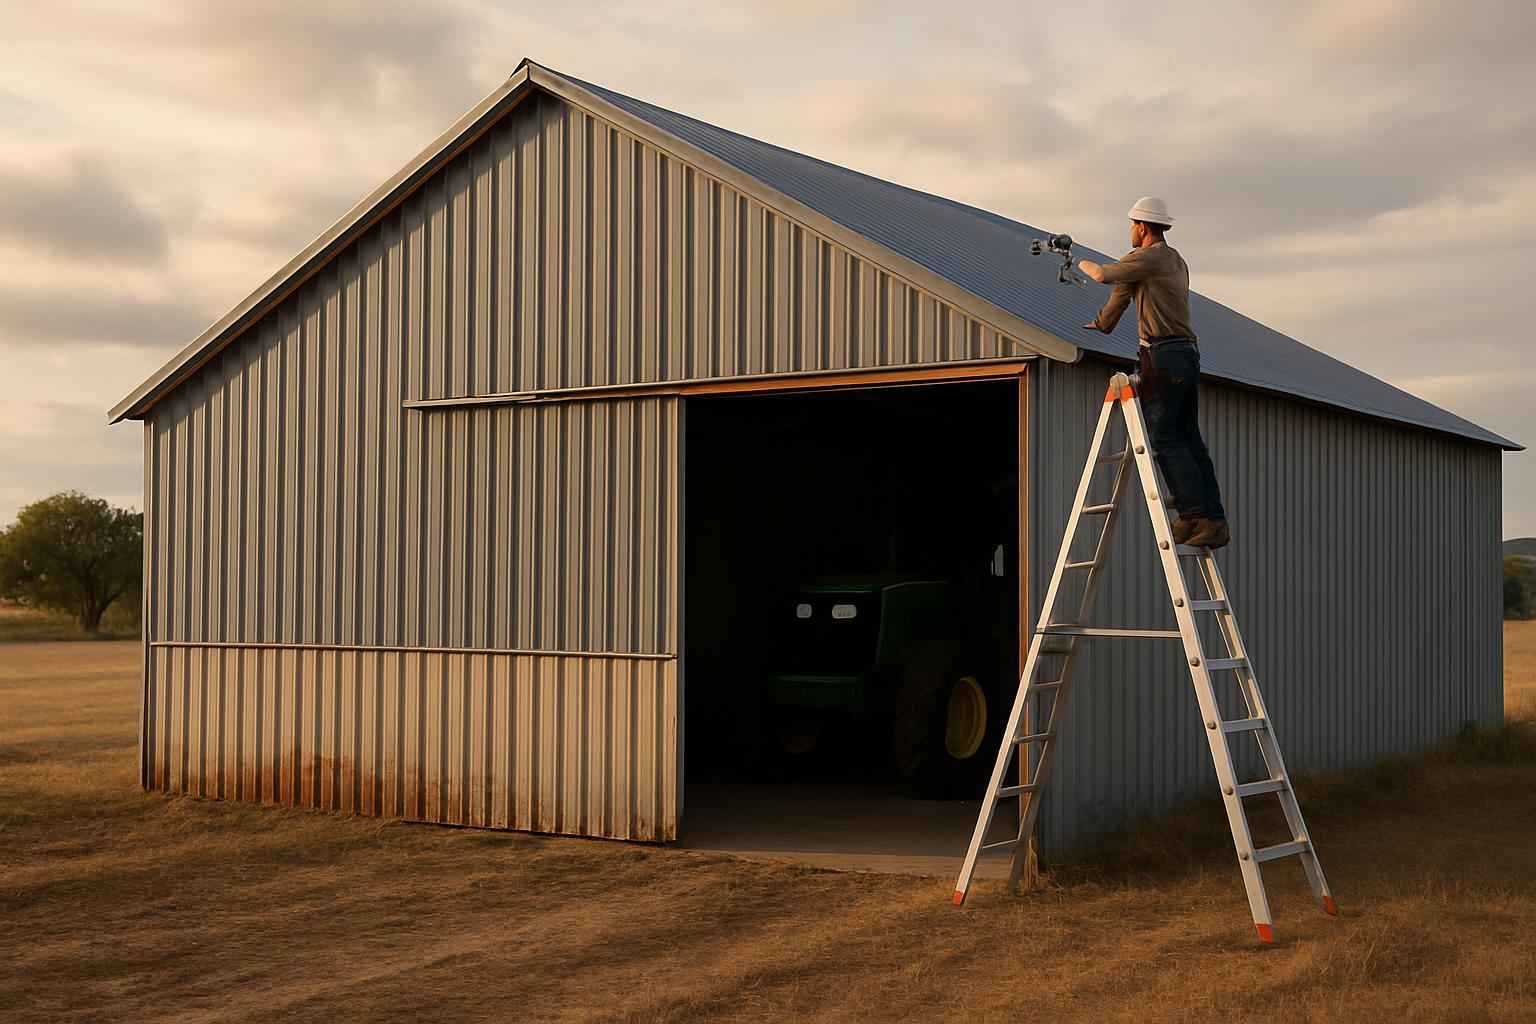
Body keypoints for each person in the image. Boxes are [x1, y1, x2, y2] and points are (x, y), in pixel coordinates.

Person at [1076, 197, 1229, 549]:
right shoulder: (1174, 260)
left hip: (1162, 355)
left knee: (1165, 439)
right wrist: (1102, 324)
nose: (1130, 231)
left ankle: (1193, 515)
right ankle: (1212, 520)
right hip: (1185, 354)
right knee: (1189, 437)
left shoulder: (1148, 257)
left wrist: (1077, 260)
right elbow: (1122, 292)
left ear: (1142, 226)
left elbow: (1102, 275)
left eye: (1132, 225)